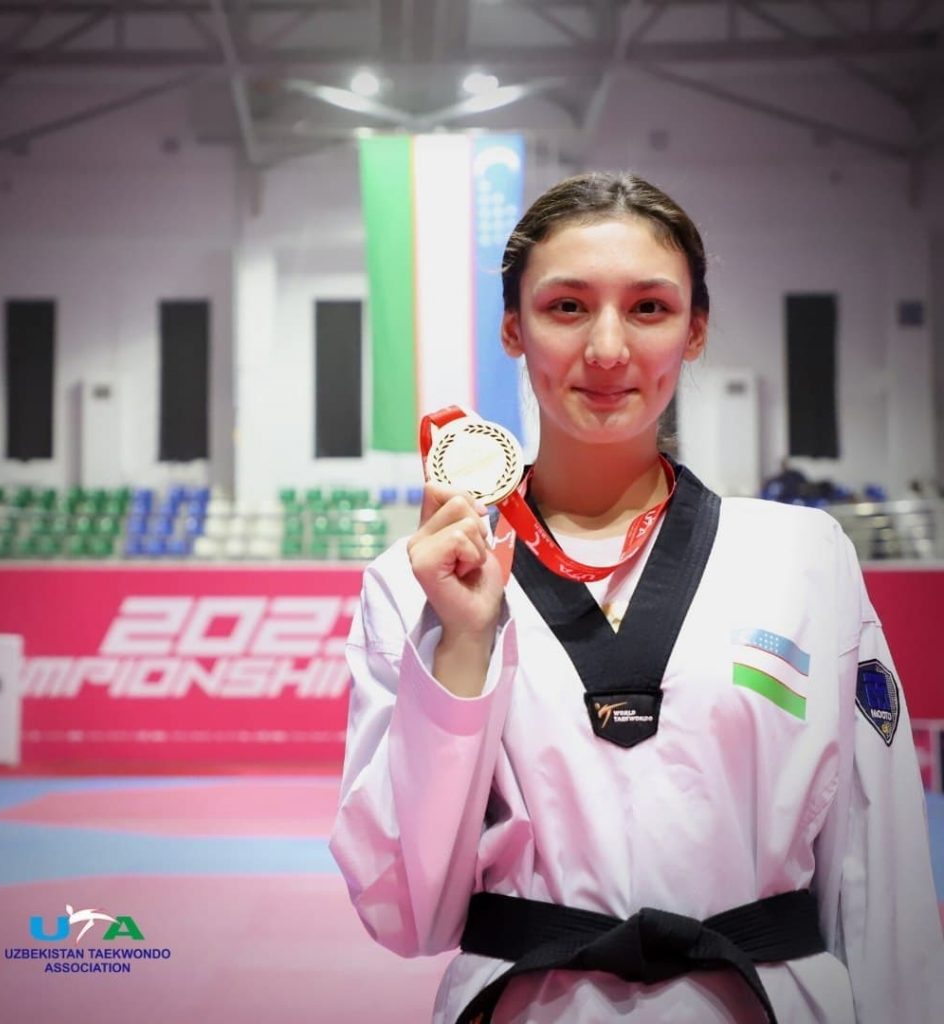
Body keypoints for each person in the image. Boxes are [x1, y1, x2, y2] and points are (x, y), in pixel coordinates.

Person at [329, 172, 943, 1022]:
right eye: (567, 307)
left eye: (649, 307)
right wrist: (461, 647)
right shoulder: (419, 581)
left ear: (695, 330)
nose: (608, 348)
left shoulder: (804, 558)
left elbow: (881, 876)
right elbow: (407, 912)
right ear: (513, 328)